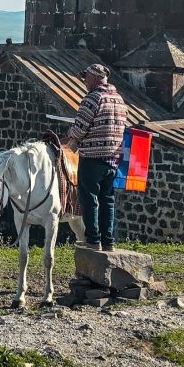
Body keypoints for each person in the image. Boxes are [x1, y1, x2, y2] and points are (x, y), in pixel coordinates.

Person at [65, 63, 127, 251]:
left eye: (86, 78)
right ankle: (108, 241)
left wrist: (68, 136)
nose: (84, 82)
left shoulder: (93, 98)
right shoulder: (119, 99)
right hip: (113, 159)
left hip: (92, 158)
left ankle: (93, 240)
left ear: (94, 79)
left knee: (89, 198)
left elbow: (79, 129)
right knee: (107, 199)